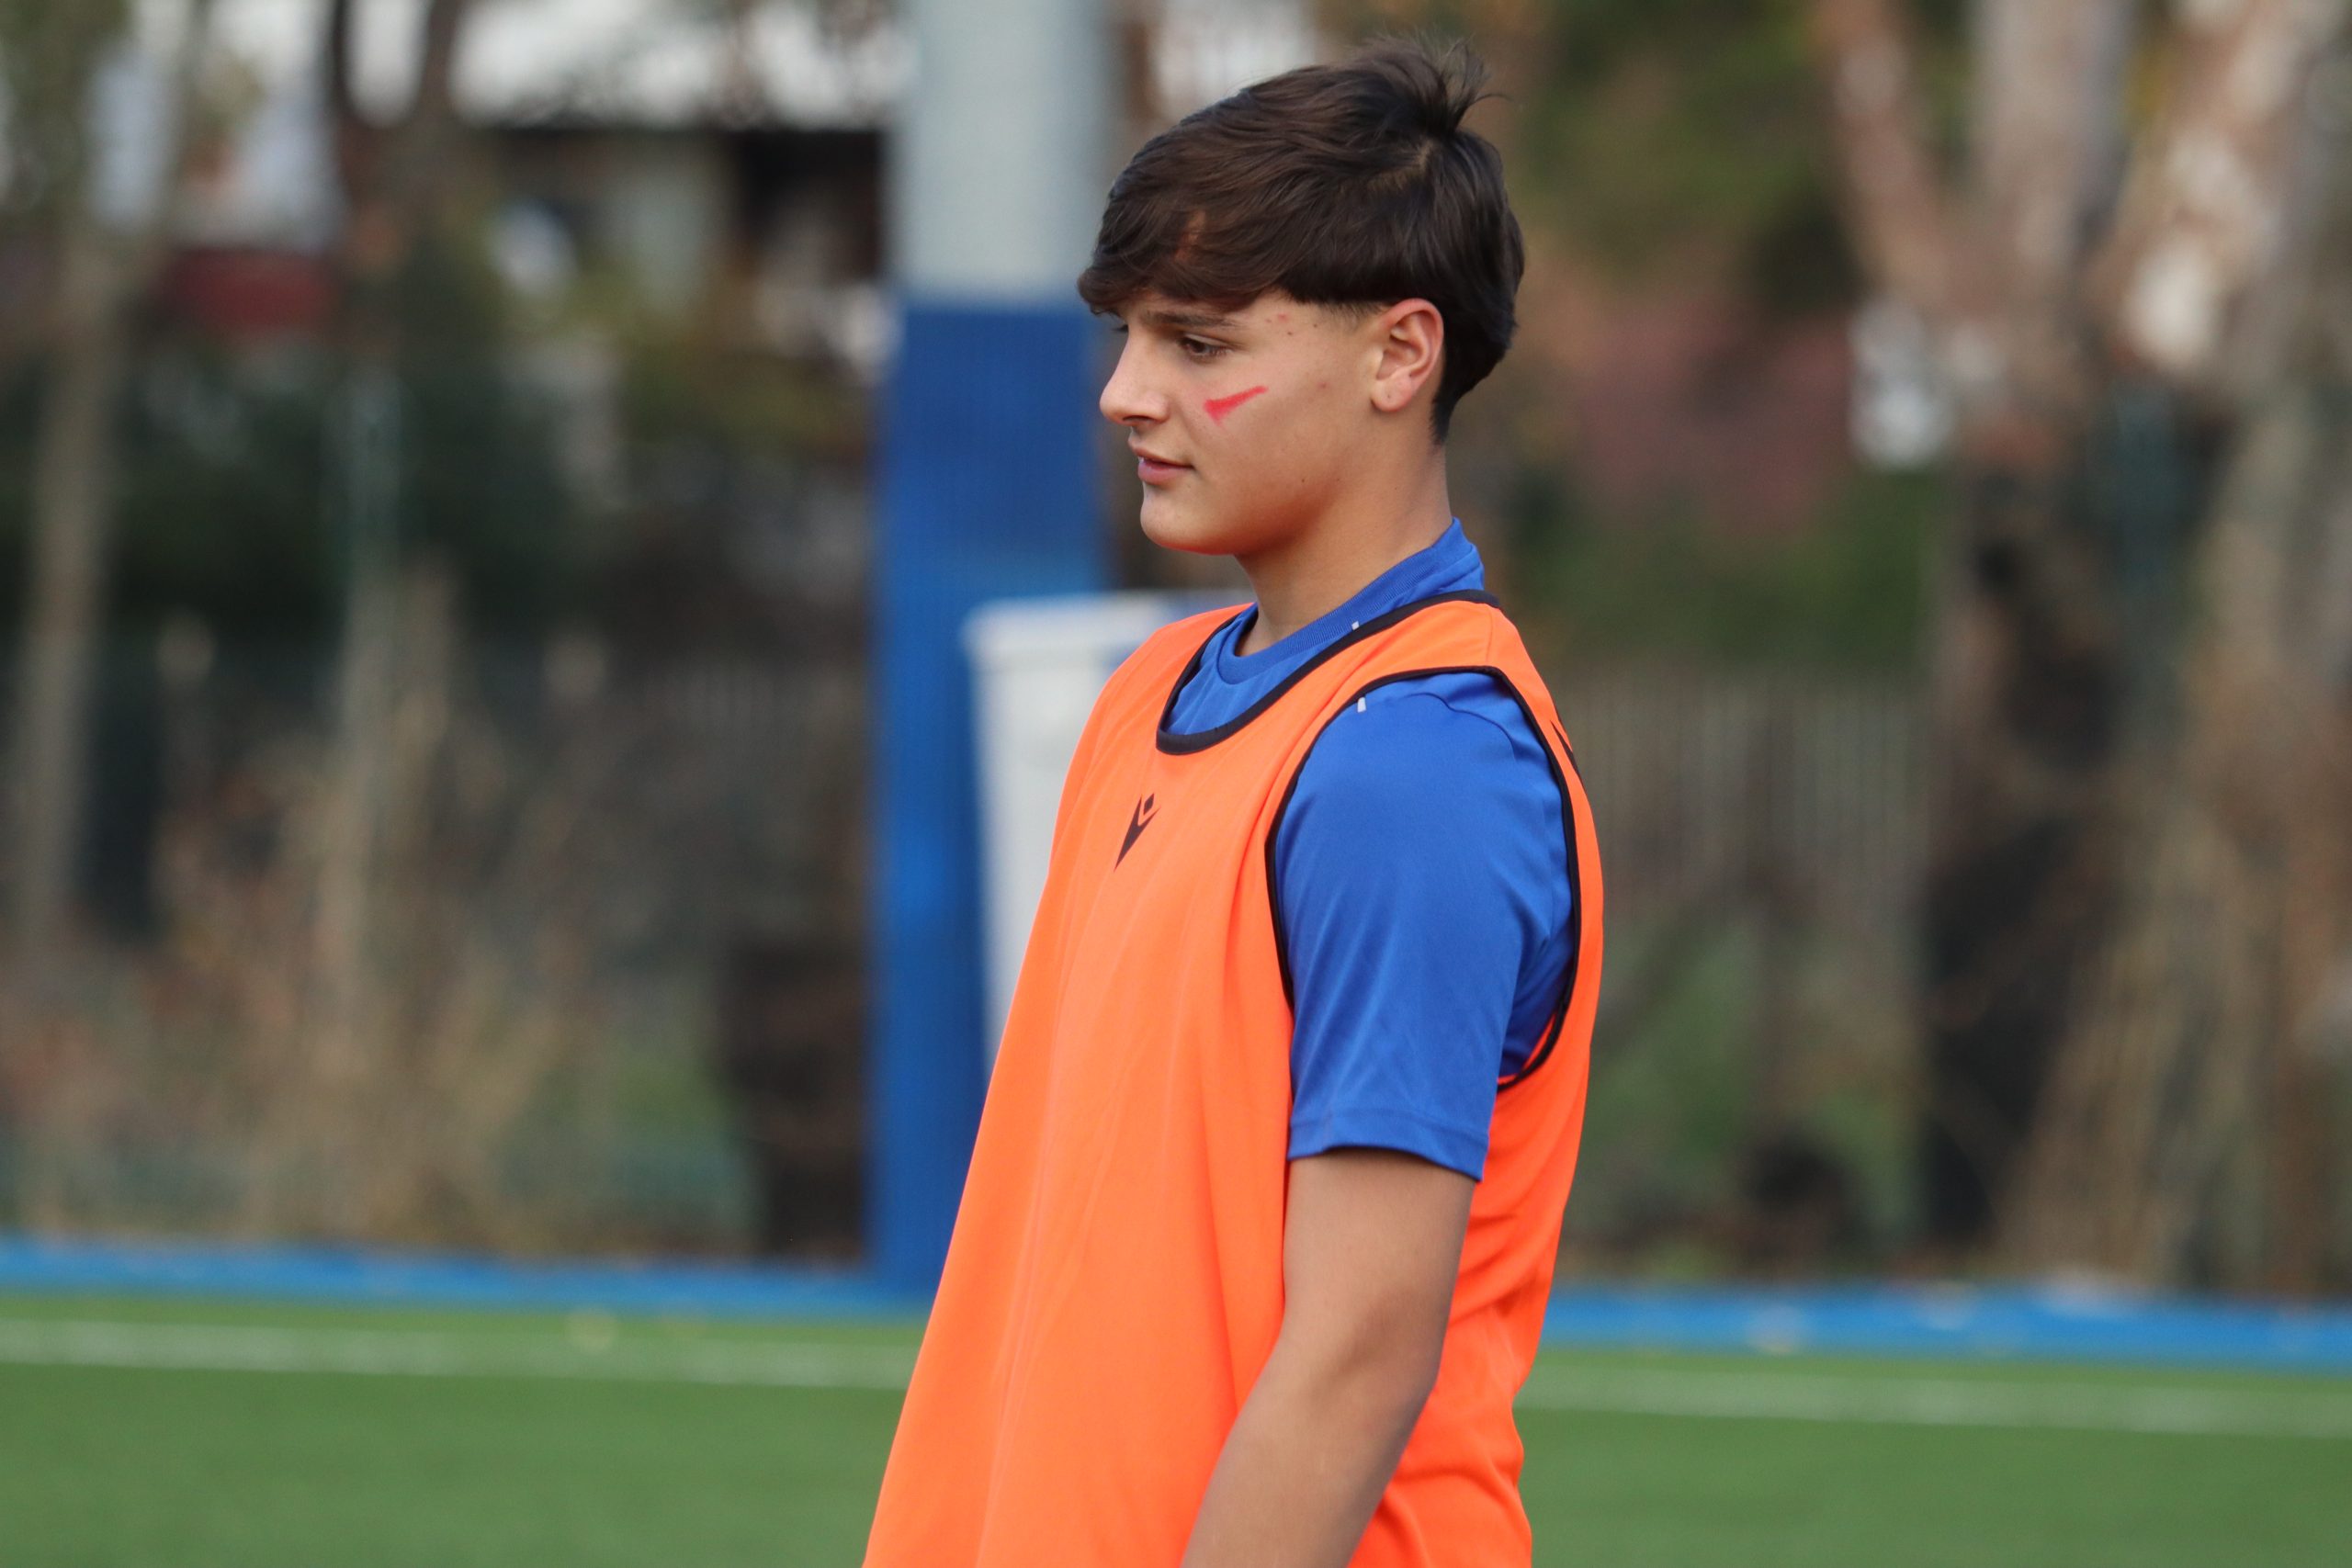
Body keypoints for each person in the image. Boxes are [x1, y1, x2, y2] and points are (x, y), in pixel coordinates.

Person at [862, 39, 1604, 1568]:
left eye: (1199, 344)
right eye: (1128, 336)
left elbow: (1356, 1354)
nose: (1127, 394)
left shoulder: (1415, 769)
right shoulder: (1156, 689)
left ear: (1400, 356)